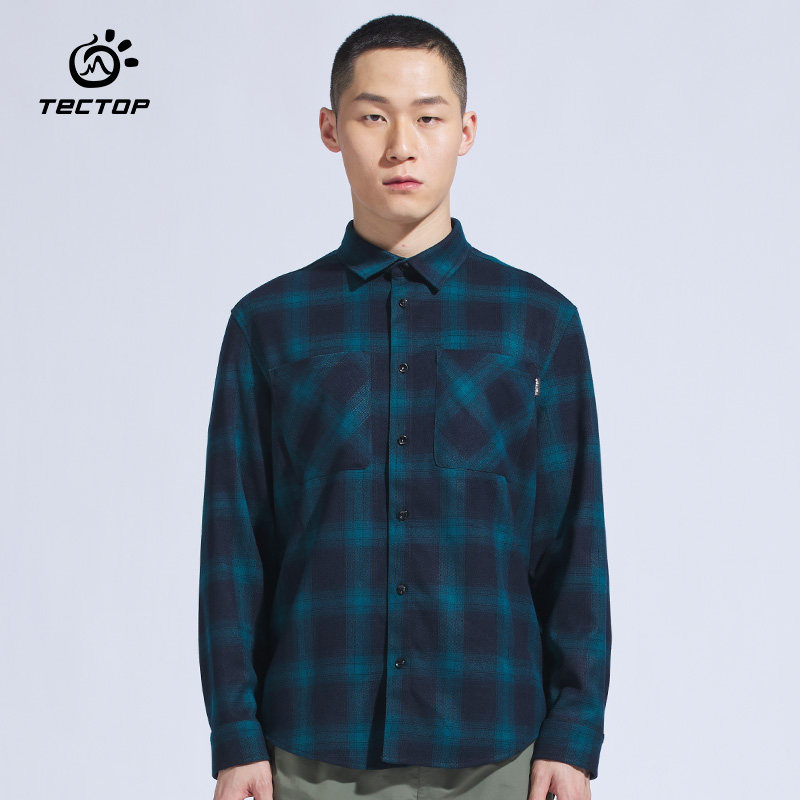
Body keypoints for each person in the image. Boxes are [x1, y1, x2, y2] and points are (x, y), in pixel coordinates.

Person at [198, 13, 611, 800]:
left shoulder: (538, 323)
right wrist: (235, 736)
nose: (401, 146)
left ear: (466, 130)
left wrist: (573, 735)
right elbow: (234, 547)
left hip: (497, 751)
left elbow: (572, 544)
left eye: (428, 118)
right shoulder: (268, 325)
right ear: (331, 129)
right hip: (307, 750)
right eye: (372, 116)